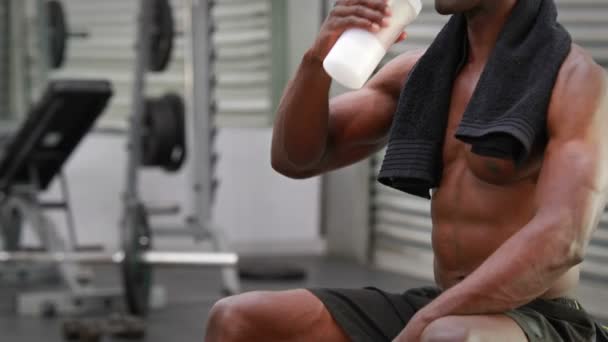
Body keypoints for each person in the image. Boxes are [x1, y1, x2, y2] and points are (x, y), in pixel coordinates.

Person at [205, 0, 608, 341]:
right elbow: (294, 159)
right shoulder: (422, 77)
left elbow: (563, 240)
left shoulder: (573, 82)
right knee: (238, 318)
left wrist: (424, 322)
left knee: (446, 336)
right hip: (442, 304)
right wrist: (317, 59)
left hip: (537, 318)